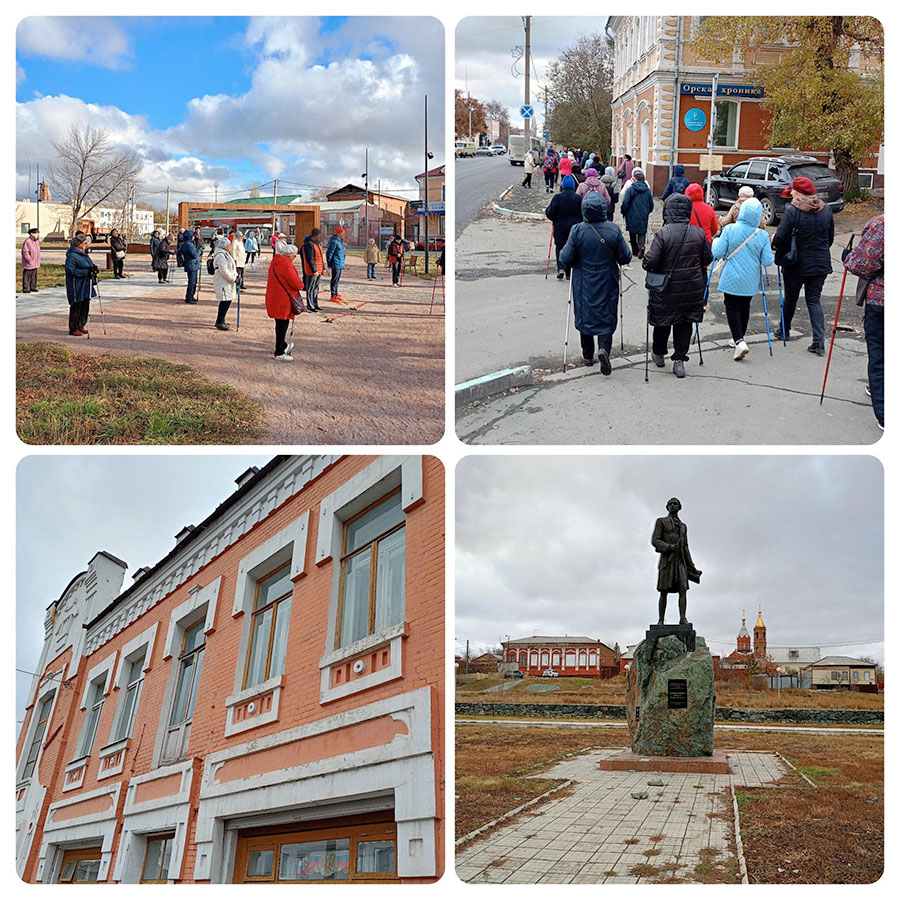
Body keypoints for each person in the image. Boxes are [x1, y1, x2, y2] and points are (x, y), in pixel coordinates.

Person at [559, 193, 632, 374]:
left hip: (584, 280)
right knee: (606, 314)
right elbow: (625, 257)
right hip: (607, 279)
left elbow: (566, 257)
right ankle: (604, 350)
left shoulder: (577, 230)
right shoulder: (613, 230)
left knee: (585, 314)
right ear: (603, 208)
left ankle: (588, 355)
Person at [642, 193, 712, 378]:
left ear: (668, 211)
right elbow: (707, 258)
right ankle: (679, 360)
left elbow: (651, 261)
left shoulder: (663, 233)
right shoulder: (697, 232)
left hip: (667, 288)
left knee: (663, 320)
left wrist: (646, 261)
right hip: (692, 287)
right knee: (684, 321)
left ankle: (658, 353)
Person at [771, 176, 834, 355]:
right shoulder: (826, 210)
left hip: (796, 263)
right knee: (814, 300)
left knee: (791, 297)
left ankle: (784, 331)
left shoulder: (793, 211)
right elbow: (830, 238)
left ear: (799, 192)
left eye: (793, 190)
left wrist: (774, 244)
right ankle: (819, 342)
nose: (790, 192)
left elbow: (781, 237)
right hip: (820, 262)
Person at [711, 198, 775, 361]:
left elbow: (717, 252)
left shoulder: (730, 229)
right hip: (750, 278)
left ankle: (739, 341)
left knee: (731, 307)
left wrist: (716, 241)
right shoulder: (761, 235)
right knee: (744, 306)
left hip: (731, 277)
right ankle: (738, 338)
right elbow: (768, 261)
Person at [842, 214, 884, 429]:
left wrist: (848, 258)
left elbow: (863, 264)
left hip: (882, 300)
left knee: (879, 356)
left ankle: (886, 414)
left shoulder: (882, 224)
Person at [265, 238, 303, 361]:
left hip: (276, 297)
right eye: (294, 256)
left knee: (280, 324)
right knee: (282, 324)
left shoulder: (276, 262)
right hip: (283, 299)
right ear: (289, 255)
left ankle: (282, 345)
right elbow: (296, 283)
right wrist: (301, 285)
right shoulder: (286, 265)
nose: (294, 259)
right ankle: (279, 351)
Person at [545, 174, 583, 281]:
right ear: (573, 187)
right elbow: (583, 214)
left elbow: (550, 213)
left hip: (560, 227)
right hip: (575, 228)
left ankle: (560, 268)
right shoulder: (578, 198)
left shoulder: (557, 198)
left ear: (563, 186)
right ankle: (569, 271)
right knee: (573, 247)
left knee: (560, 247)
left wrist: (552, 215)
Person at [65, 233, 95, 336]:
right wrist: (85, 272)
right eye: (85, 243)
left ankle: (81, 324)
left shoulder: (84, 253)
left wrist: (93, 269)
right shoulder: (72, 255)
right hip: (76, 285)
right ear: (78, 244)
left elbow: (89, 265)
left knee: (85, 305)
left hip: (86, 284)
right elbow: (70, 270)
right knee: (76, 306)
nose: (86, 244)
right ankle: (73, 328)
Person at [620, 167, 654, 259]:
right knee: (642, 231)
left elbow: (626, 202)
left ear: (635, 178)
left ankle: (635, 251)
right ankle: (641, 247)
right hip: (643, 214)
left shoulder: (631, 189)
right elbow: (651, 203)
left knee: (632, 232)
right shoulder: (647, 190)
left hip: (631, 214)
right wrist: (648, 211)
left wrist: (623, 211)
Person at [211, 236, 237, 331]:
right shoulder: (221, 255)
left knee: (227, 300)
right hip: (223, 281)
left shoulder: (225, 253)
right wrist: (233, 278)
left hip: (227, 281)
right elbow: (223, 270)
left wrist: (235, 275)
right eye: (229, 244)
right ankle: (219, 321)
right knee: (224, 301)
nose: (230, 246)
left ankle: (222, 319)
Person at [302, 228, 325, 311]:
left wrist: (323, 268)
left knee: (316, 288)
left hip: (318, 269)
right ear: (315, 236)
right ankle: (310, 306)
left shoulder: (317, 244)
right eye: (319, 236)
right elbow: (310, 258)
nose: (320, 237)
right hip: (312, 271)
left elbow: (321, 257)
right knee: (310, 288)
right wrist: (314, 270)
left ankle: (315, 304)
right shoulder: (308, 244)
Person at [326, 226, 346, 302]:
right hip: (336, 263)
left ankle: (336, 294)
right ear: (338, 233)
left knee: (337, 280)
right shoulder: (334, 241)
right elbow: (329, 253)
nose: (344, 234)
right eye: (342, 233)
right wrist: (329, 263)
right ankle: (333, 295)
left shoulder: (341, 241)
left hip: (340, 263)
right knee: (334, 280)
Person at [181, 229, 201, 303]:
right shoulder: (189, 245)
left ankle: (191, 295)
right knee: (192, 282)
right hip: (192, 265)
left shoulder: (187, 244)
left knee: (193, 282)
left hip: (192, 265)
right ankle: (189, 297)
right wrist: (200, 250)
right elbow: (195, 255)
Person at [21, 227, 41, 293]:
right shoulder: (27, 241)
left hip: (35, 261)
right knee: (27, 275)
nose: (37, 235)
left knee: (34, 275)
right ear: (31, 234)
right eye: (36, 233)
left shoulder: (37, 241)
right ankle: (26, 288)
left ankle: (33, 287)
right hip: (29, 262)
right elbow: (25, 251)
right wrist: (29, 259)